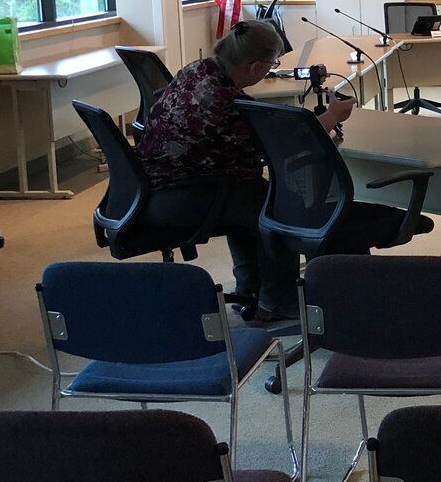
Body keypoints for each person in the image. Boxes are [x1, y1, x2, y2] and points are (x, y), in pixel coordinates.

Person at [137, 19, 353, 320]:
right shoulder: (223, 98)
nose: (270, 69)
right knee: (279, 203)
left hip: (158, 182)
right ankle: (280, 300)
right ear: (254, 66)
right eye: (271, 64)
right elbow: (286, 145)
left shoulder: (199, 70)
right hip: (184, 192)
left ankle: (250, 289)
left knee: (252, 189)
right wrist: (332, 115)